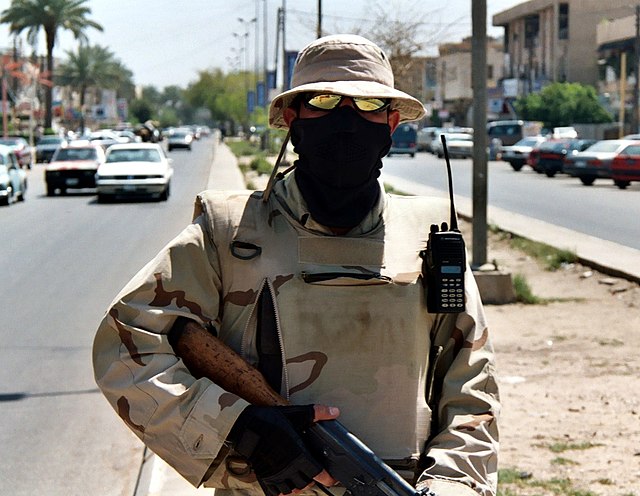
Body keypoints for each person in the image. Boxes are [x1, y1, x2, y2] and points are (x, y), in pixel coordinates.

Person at [93, 34, 499, 496]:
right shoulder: (228, 233)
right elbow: (125, 345)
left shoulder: (429, 236)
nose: (346, 120)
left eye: (367, 104)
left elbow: (472, 382)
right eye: (325, 101)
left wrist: (452, 486)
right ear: (293, 119)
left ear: (390, 124)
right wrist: (242, 430)